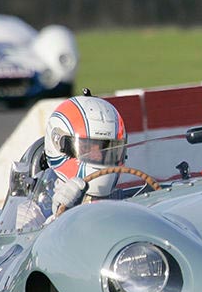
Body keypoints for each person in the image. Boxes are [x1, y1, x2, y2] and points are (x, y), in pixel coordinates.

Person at [14, 94, 127, 229]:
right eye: (88, 148)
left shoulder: (125, 200)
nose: (98, 155)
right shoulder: (31, 211)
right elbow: (29, 247)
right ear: (59, 144)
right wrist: (59, 218)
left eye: (106, 148)